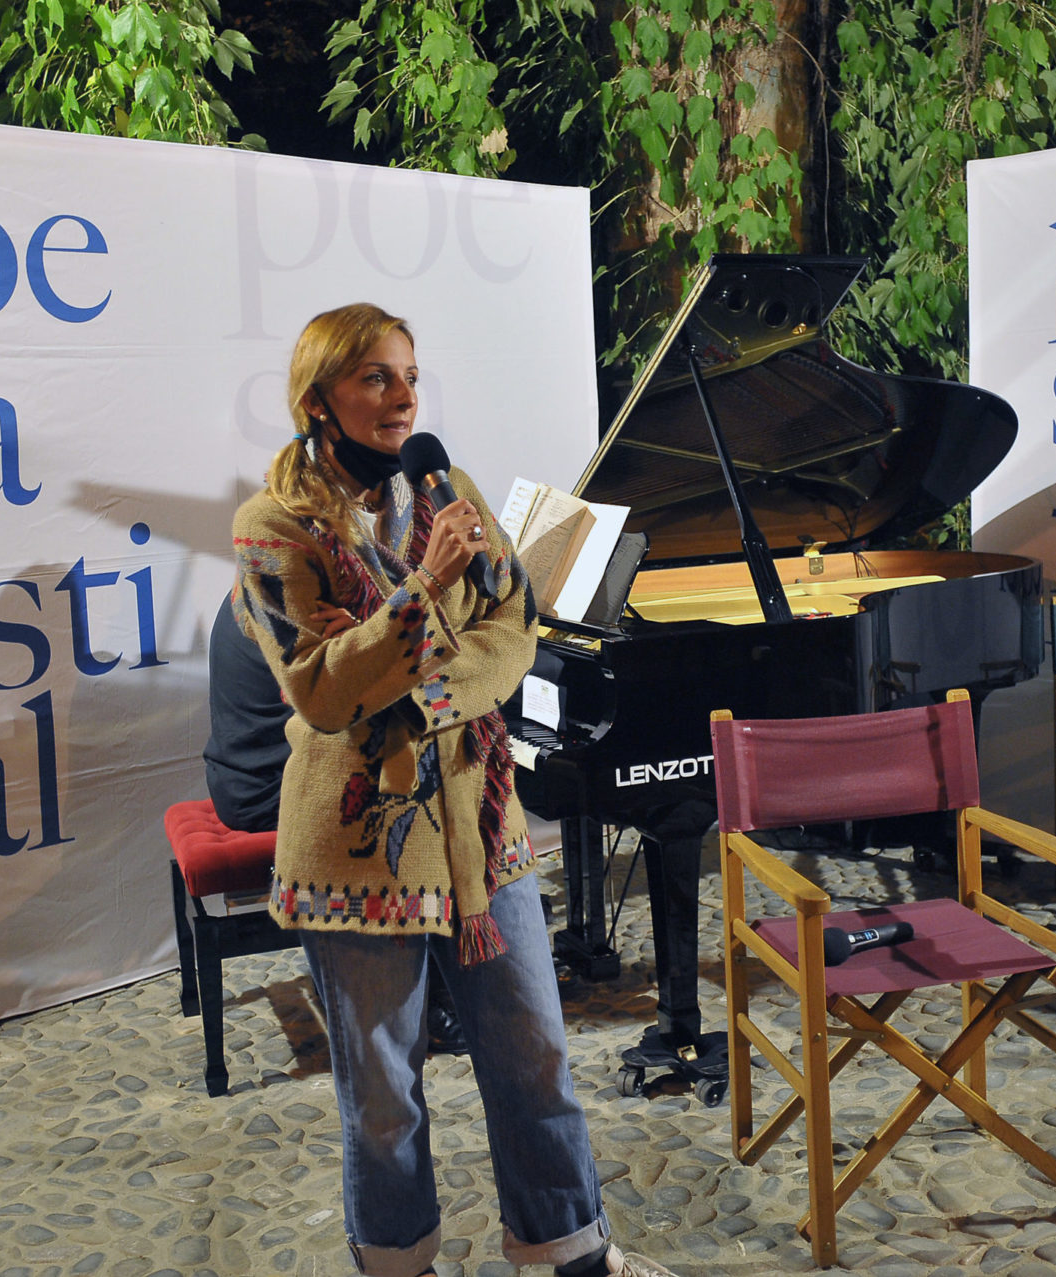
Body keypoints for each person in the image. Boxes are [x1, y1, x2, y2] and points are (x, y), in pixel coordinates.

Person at [228, 302, 679, 1277]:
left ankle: (572, 1255)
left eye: (411, 374)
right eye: (377, 378)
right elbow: (318, 689)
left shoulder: (449, 486)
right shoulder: (272, 529)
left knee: (536, 1060)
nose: (405, 396)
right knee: (385, 1095)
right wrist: (425, 591)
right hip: (357, 848)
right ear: (319, 401)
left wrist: (414, 691)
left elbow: (513, 628)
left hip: (481, 828)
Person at [202, 593, 468, 1055]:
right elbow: (357, 708)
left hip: (235, 774)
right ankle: (433, 1005)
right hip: (265, 789)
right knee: (422, 801)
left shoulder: (258, 583)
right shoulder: (296, 604)